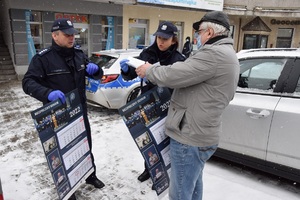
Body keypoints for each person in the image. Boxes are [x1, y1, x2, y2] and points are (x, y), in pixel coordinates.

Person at [136, 11, 240, 200]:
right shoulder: (227, 53)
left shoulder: (213, 54)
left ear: (209, 32)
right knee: (192, 187)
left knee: (180, 193)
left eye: (199, 32)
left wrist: (150, 70)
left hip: (190, 136)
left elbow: (174, 75)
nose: (197, 36)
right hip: (201, 131)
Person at [22, 18, 105, 200]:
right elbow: (27, 82)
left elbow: (98, 74)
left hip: (80, 111)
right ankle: (69, 188)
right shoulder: (43, 59)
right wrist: (48, 93)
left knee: (85, 145)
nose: (72, 38)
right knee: (64, 151)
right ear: (54, 35)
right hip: (58, 115)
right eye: (67, 35)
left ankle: (90, 175)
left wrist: (96, 71)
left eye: (73, 34)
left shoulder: (79, 54)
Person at [119, 21, 186, 185]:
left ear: (173, 40)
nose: (161, 41)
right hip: (148, 102)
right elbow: (131, 75)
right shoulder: (147, 53)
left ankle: (166, 170)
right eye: (158, 37)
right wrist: (126, 71)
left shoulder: (179, 59)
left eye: (165, 38)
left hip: (169, 105)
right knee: (149, 139)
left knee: (166, 140)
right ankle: (149, 168)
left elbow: (181, 83)